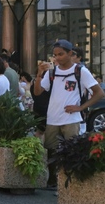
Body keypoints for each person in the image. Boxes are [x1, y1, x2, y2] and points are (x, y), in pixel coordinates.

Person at [34, 39, 104, 188]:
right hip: (53, 118)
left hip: (71, 119)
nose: (57, 58)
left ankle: (71, 182)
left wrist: (80, 107)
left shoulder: (80, 71)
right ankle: (52, 181)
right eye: (55, 55)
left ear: (70, 53)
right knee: (51, 151)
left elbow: (99, 93)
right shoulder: (52, 72)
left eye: (60, 54)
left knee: (72, 151)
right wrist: (39, 74)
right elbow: (38, 92)